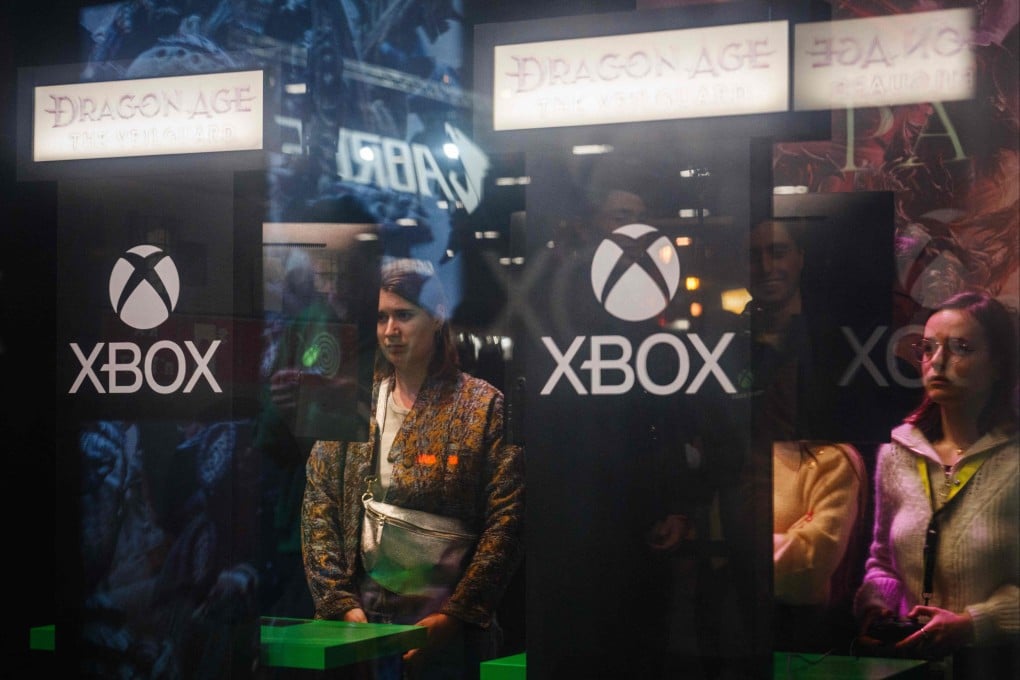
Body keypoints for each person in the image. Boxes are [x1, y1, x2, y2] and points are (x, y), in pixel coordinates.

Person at [301, 258, 525, 680]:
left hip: (448, 618)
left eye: (404, 315)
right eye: (382, 317)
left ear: (437, 315)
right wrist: (340, 605)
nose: (390, 330)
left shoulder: (482, 406)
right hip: (362, 615)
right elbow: (318, 507)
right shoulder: (352, 401)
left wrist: (456, 616)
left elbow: (507, 522)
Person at [854, 291, 1019, 678]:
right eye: (928, 348)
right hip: (913, 668)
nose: (938, 362)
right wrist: (877, 606)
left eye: (961, 347)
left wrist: (972, 624)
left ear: (997, 364)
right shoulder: (898, 454)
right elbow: (882, 564)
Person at [773, 440, 868, 653]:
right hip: (724, 625)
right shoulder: (739, 451)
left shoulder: (833, 458)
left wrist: (747, 549)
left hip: (795, 634)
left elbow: (811, 565)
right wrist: (787, 543)